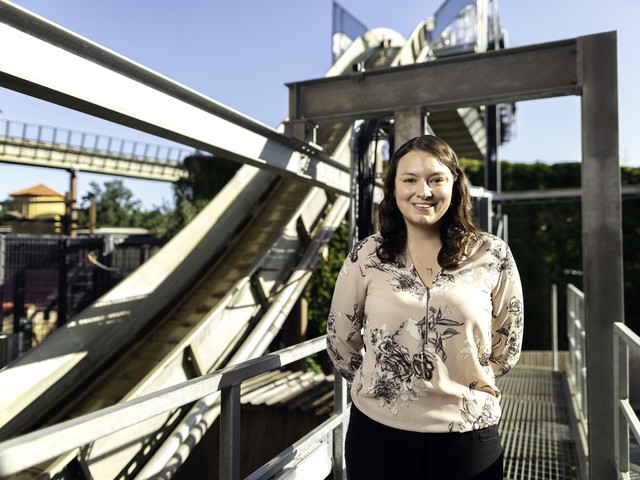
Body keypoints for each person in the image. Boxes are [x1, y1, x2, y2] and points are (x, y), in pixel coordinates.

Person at [326, 135, 524, 479]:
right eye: (410, 180)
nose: (424, 191)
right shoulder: (367, 255)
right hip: (378, 436)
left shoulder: (493, 254)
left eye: (436, 179)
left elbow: (508, 342)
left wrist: (465, 385)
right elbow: (340, 338)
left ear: (455, 186)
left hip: (467, 436)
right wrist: (382, 386)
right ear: (393, 188)